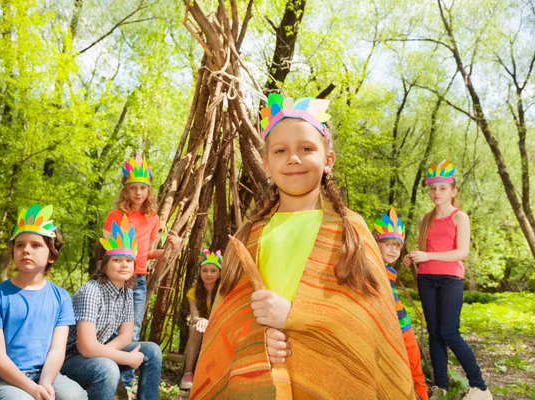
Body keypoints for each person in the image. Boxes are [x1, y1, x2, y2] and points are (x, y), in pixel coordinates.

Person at [190, 94, 415, 399]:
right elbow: (229, 321)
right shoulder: (249, 236)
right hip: (261, 381)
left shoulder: (351, 232)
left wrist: (296, 315)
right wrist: (256, 342)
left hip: (332, 379)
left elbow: (369, 323)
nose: (293, 158)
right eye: (281, 150)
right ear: (267, 164)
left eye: (307, 148)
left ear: (328, 160)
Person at [0, 204, 87, 400]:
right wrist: (32, 390)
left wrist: (46, 382)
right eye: (20, 245)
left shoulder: (61, 297)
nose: (26, 250)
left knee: (75, 396)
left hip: (45, 374)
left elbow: (57, 349)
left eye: (36, 245)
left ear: (51, 255)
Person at [404, 160, 492, 400]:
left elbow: (462, 252)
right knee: (434, 333)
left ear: (453, 191)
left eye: (442, 188)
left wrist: (427, 255)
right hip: (426, 278)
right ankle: (440, 387)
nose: (436, 193)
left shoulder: (459, 217)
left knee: (449, 332)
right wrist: (414, 257)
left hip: (450, 279)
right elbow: (425, 251)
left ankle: (480, 387)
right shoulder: (425, 220)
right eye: (433, 188)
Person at [61, 215, 162, 400]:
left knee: (152, 351)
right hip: (71, 360)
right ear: (101, 265)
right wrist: (123, 358)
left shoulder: (126, 292)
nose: (124, 264)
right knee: (107, 367)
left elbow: (126, 335)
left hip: (98, 351)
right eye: (117, 260)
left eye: (129, 260)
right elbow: (86, 347)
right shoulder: (91, 292)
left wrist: (109, 352)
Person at [104, 153, 179, 391]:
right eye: (133, 188)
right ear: (125, 190)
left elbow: (145, 254)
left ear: (149, 191)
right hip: (115, 279)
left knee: (132, 329)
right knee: (110, 327)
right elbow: (107, 251)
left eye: (142, 188)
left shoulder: (152, 218)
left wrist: (169, 248)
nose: (138, 193)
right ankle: (109, 376)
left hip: (138, 280)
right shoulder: (116, 216)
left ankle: (124, 384)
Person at [374, 208, 428, 400]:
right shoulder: (373, 270)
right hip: (390, 330)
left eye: (397, 246)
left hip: (403, 327)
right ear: (375, 244)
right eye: (388, 244)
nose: (393, 250)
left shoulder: (389, 271)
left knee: (415, 366)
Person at [179, 249, 222, 390]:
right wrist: (202, 321)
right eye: (205, 270)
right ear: (200, 273)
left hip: (220, 325)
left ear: (219, 273)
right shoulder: (193, 292)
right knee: (196, 328)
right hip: (201, 325)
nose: (208, 274)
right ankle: (188, 373)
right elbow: (194, 317)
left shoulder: (224, 291)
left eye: (213, 270)